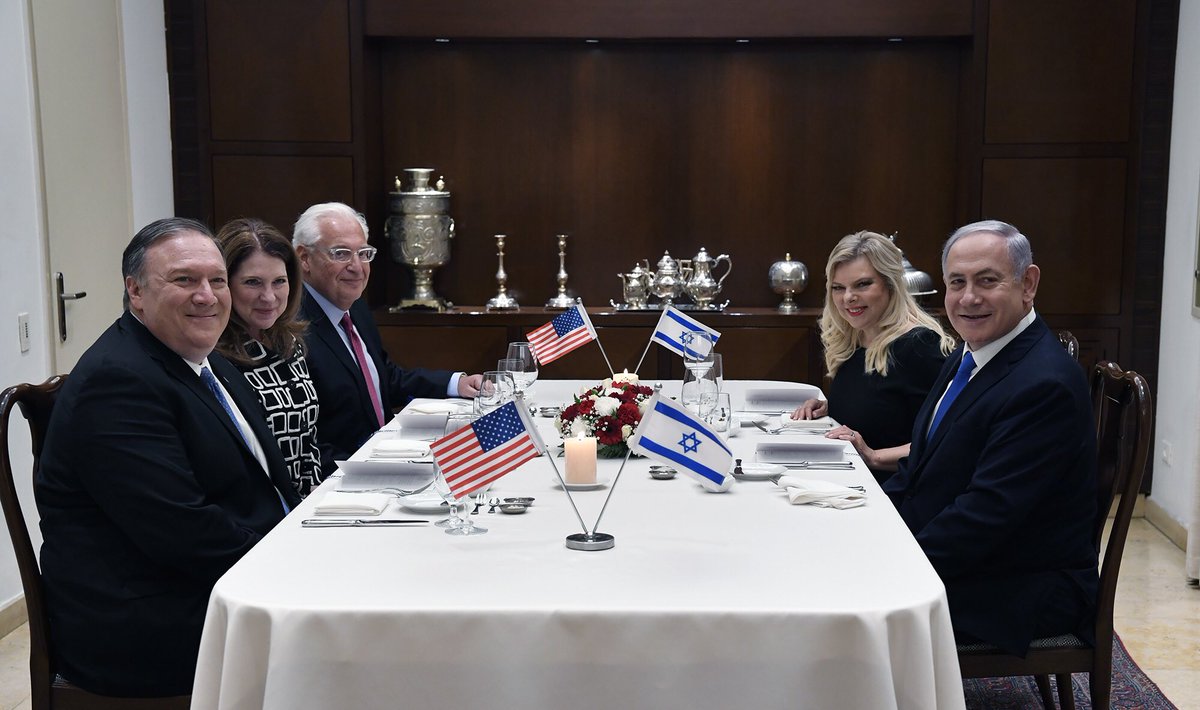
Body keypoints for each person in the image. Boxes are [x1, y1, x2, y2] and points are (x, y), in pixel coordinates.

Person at [35, 218, 300, 697]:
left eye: (217, 280)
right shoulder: (117, 383)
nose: (207, 296)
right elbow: (183, 531)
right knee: (361, 644)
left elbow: (260, 486)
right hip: (148, 624)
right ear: (135, 291)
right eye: (184, 279)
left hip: (205, 583)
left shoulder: (205, 356)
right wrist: (294, 567)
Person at [882, 219, 1098, 656]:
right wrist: (869, 525)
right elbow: (919, 470)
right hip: (970, 557)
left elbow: (986, 516)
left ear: (1028, 284)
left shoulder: (1044, 384)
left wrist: (891, 564)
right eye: (956, 282)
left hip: (1015, 587)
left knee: (833, 608)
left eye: (987, 280)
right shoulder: (975, 349)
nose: (969, 298)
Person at [293, 202, 482, 469]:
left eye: (363, 254)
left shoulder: (355, 308)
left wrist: (456, 384)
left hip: (389, 456)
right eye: (341, 253)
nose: (357, 267)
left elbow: (384, 379)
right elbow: (303, 441)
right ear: (304, 258)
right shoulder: (292, 329)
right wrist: (368, 472)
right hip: (350, 474)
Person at [790, 231, 955, 481]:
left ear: (891, 284)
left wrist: (873, 456)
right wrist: (830, 407)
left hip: (890, 491)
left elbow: (948, 441)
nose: (848, 297)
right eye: (838, 288)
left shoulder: (921, 346)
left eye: (862, 284)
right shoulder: (854, 337)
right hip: (847, 477)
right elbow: (885, 409)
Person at [216, 217, 323, 497]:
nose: (269, 297)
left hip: (308, 501)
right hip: (264, 511)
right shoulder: (214, 358)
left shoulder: (289, 342)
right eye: (253, 282)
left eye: (279, 282)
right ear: (224, 284)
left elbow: (308, 439)